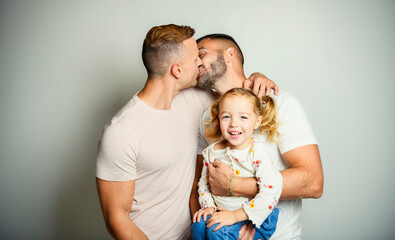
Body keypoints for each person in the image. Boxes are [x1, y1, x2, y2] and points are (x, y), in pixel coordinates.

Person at [96, 24, 277, 240]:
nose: (201, 63)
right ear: (177, 70)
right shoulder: (121, 132)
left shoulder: (196, 99)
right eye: (195, 59)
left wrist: (257, 78)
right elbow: (116, 218)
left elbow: (239, 101)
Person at [190, 34, 324, 240]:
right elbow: (199, 186)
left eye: (201, 54)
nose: (196, 61)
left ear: (229, 54)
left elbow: (313, 181)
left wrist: (233, 186)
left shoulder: (280, 103)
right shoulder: (207, 118)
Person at [191, 88, 282, 240]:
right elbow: (204, 184)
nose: (234, 123)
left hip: (253, 215)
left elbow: (272, 190)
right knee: (199, 224)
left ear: (257, 121)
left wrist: (235, 216)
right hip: (223, 212)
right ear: (218, 118)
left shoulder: (257, 152)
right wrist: (209, 207)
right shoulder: (211, 152)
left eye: (243, 117)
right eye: (226, 116)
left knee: (216, 231)